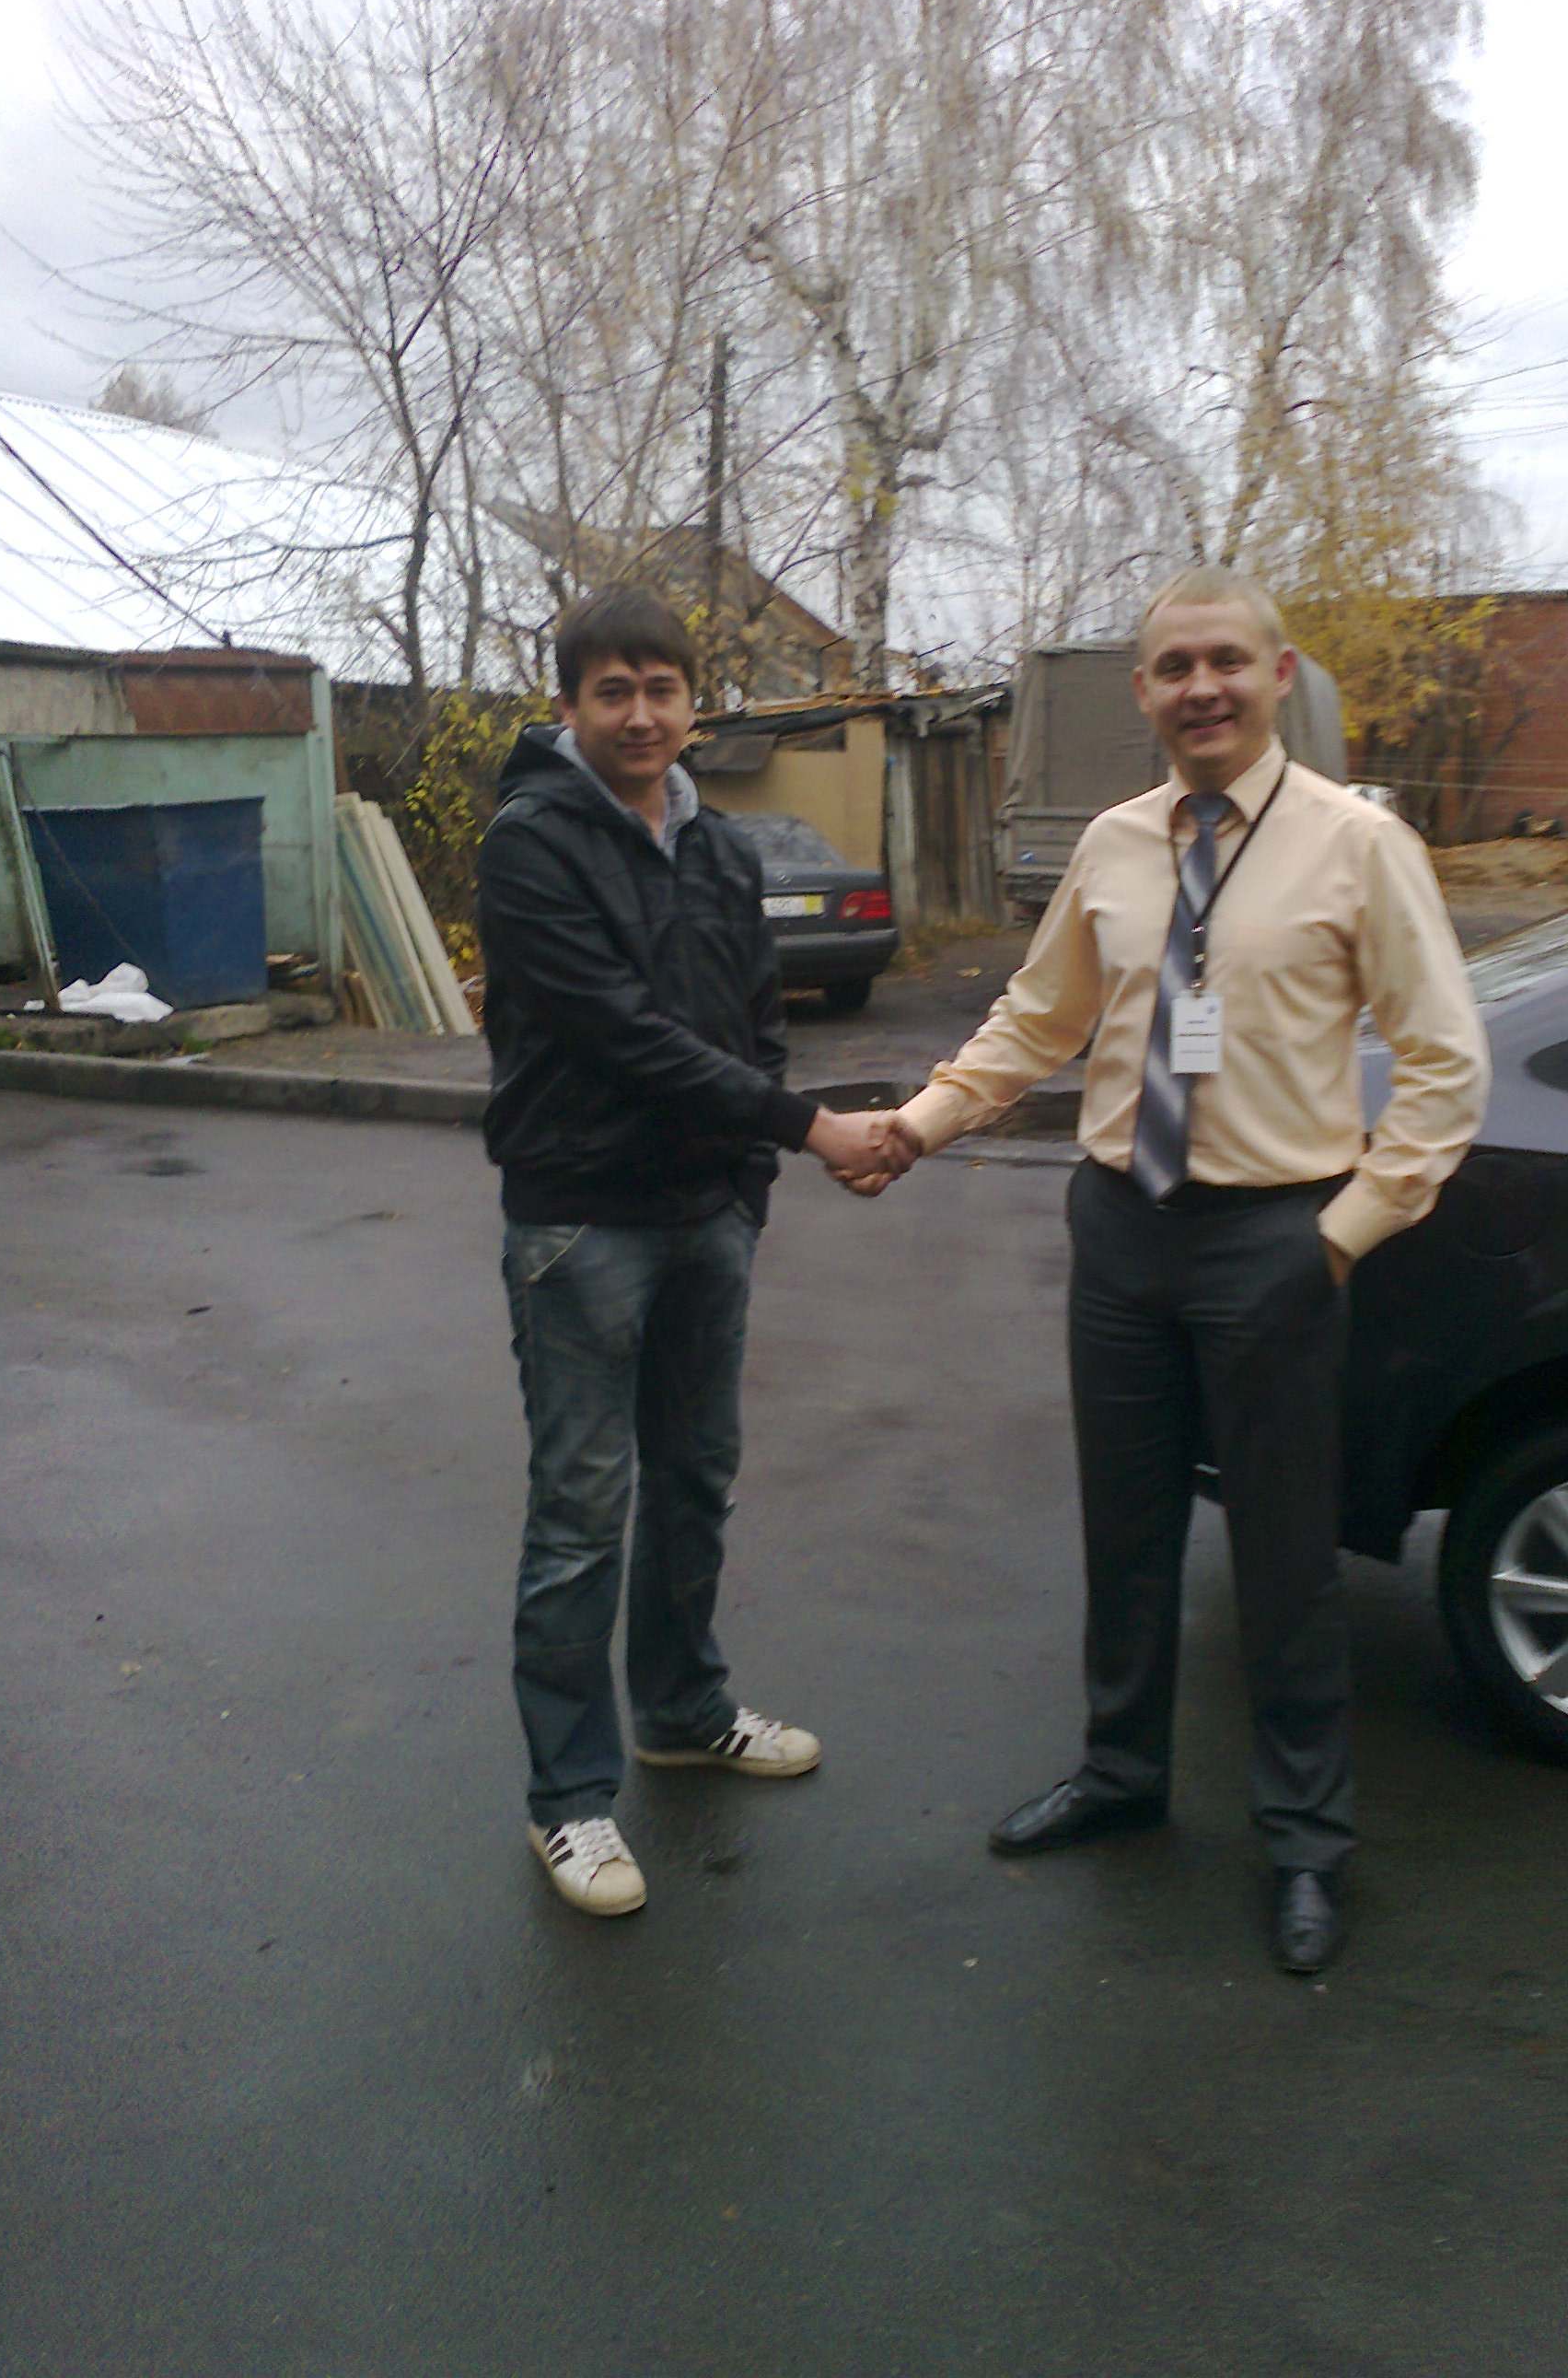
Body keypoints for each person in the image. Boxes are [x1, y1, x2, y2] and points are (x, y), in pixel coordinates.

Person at [858, 567, 1489, 1973]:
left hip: (1280, 1236)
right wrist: (920, 1124)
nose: (1203, 689)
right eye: (1175, 668)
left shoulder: (1358, 845)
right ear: (1143, 693)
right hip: (1123, 1226)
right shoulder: (1114, 845)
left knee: (1285, 1555)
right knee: (1126, 1526)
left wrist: (1341, 1236)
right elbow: (1040, 1018)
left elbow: (1446, 1064)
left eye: (1227, 662)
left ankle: (1307, 1840)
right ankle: (1122, 1774)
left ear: (1278, 676)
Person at [478, 585, 898, 1918]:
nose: (641, 714)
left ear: (691, 703)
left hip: (704, 1215)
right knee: (580, 1516)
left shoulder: (716, 846)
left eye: (661, 688)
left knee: (696, 1478)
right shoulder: (529, 844)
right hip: (583, 1220)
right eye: (613, 691)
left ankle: (682, 1709)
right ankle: (569, 1800)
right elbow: (621, 1034)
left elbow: (756, 1019)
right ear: (569, 706)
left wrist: (745, 1188)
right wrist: (807, 1130)